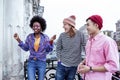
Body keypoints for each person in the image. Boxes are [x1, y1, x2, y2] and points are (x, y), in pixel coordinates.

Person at [77, 15, 119, 80]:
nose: (86, 28)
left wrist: (90, 68)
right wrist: (82, 63)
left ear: (96, 25)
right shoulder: (89, 42)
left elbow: (113, 66)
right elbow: (90, 57)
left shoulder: (108, 41)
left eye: (88, 25)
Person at [14, 15, 56, 80]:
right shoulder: (29, 37)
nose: (35, 27)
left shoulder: (45, 38)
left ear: (41, 27)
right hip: (31, 62)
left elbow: (49, 49)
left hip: (42, 63)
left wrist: (51, 41)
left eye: (37, 26)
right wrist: (18, 39)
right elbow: (26, 48)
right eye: (34, 26)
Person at [55, 15, 86, 80]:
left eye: (64, 24)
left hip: (74, 66)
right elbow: (58, 48)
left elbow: (85, 46)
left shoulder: (80, 34)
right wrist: (59, 59)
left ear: (70, 25)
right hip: (61, 65)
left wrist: (85, 59)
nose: (63, 26)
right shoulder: (62, 35)